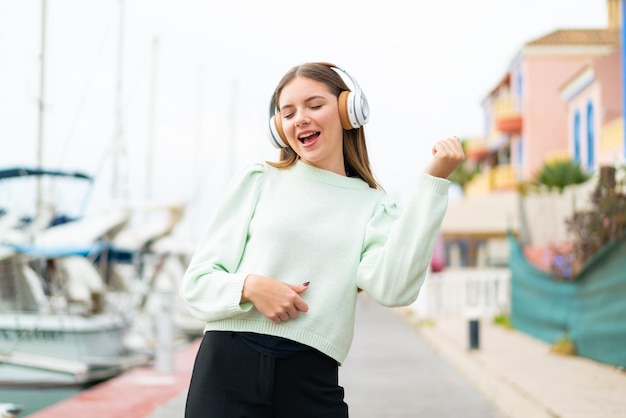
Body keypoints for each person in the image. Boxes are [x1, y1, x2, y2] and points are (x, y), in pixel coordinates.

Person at [179, 62, 465, 417]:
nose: (300, 118)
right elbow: (196, 283)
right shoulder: (258, 180)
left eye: (314, 106)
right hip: (227, 370)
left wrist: (431, 185)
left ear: (349, 112)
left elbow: (394, 289)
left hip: (311, 379)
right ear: (279, 128)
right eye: (288, 112)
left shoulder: (374, 206)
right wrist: (251, 287)